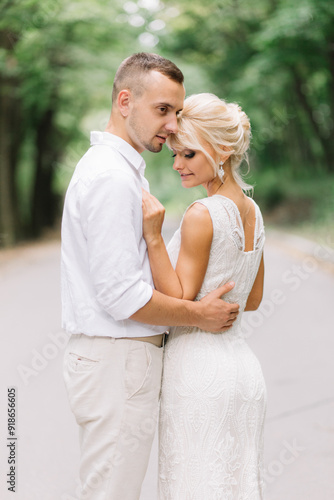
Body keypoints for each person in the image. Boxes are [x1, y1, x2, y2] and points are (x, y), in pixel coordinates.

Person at [61, 54, 239, 500]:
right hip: (117, 361)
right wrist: (199, 315)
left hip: (120, 363)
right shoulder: (110, 178)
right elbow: (121, 295)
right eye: (163, 110)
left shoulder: (120, 172)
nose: (174, 125)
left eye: (177, 112)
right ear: (125, 101)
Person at [142, 93, 267, 499]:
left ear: (224, 150)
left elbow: (178, 296)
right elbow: (251, 299)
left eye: (189, 154)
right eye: (176, 154)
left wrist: (154, 237)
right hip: (244, 373)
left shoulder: (203, 213)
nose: (177, 164)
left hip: (198, 371)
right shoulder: (253, 211)